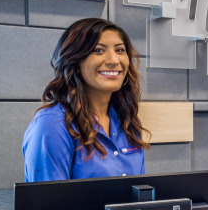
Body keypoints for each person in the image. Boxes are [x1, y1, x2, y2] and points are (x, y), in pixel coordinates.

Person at [23, 18, 149, 182]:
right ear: (75, 61)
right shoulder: (52, 125)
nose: (114, 60)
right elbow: (48, 198)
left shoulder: (127, 121)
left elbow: (140, 192)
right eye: (98, 50)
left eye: (120, 50)